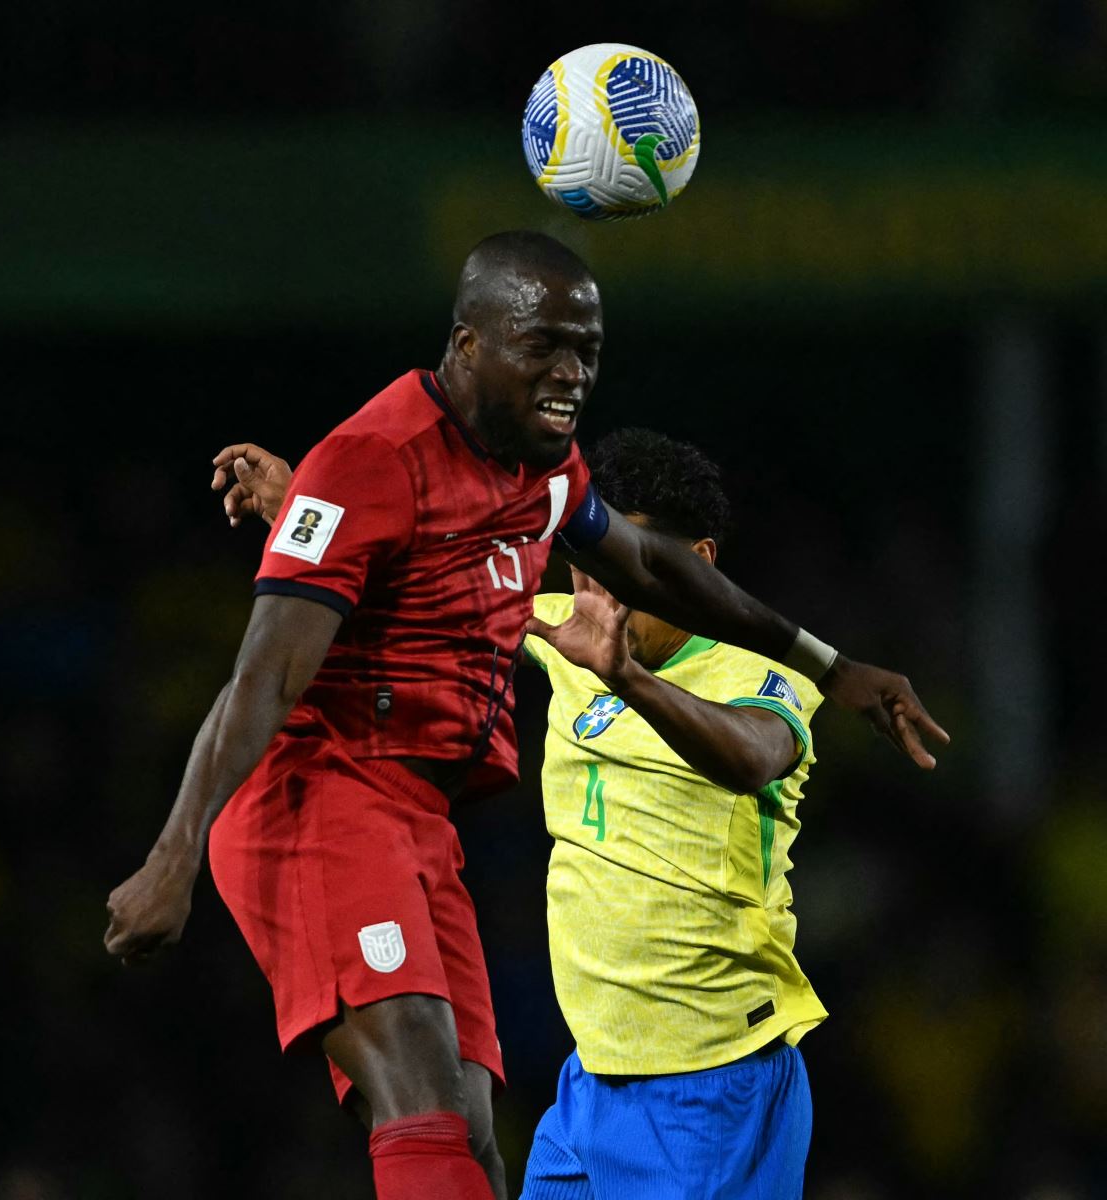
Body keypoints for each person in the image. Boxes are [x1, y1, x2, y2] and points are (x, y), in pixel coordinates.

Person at [102, 231, 947, 1200]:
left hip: (431, 830)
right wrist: (172, 859)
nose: (572, 373)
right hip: (323, 795)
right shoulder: (375, 459)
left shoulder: (543, 477)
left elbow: (625, 567)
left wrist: (825, 665)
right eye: (545, 345)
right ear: (469, 346)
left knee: (472, 1142)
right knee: (416, 1097)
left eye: (587, 349)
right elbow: (263, 678)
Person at [519, 427, 827, 1199]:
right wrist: (307, 508)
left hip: (712, 1083)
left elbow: (753, 755)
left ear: (699, 565)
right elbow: (433, 573)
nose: (601, 599)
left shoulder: (759, 679)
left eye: (626, 573)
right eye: (588, 571)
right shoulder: (571, 628)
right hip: (592, 1075)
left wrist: (626, 677)